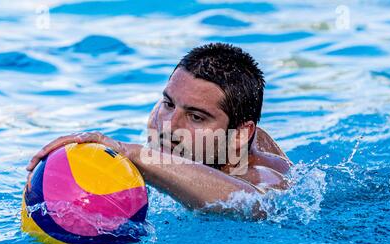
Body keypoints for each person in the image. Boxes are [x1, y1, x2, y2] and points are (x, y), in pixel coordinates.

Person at [26, 43, 292, 220]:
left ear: (240, 135)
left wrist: (134, 154)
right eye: (167, 103)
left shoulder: (262, 174)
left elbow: (255, 205)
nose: (169, 126)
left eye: (196, 117)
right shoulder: (211, 139)